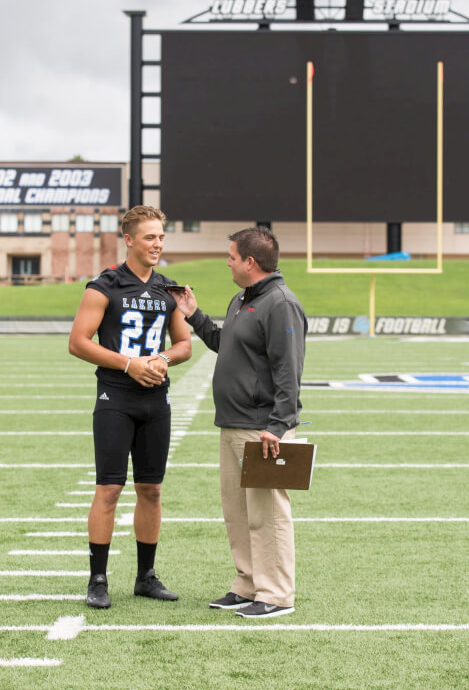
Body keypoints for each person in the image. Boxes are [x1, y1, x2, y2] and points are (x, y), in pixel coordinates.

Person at [174, 226, 307, 618]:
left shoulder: (280, 303)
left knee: (267, 514)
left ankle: (277, 594)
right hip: (233, 423)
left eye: (231, 257)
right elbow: (222, 343)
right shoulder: (241, 299)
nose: (227, 262)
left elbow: (289, 370)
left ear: (250, 262)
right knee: (238, 513)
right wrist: (194, 315)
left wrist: (280, 426)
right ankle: (249, 584)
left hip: (262, 427)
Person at [69, 205, 192, 609]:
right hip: (115, 398)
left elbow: (184, 344)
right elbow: (79, 341)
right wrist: (128, 363)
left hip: (156, 400)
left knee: (152, 489)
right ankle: (98, 579)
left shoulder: (168, 289)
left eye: (161, 236)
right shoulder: (104, 285)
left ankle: (145, 576)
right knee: (109, 488)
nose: (157, 244)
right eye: (150, 237)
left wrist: (164, 360)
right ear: (129, 240)